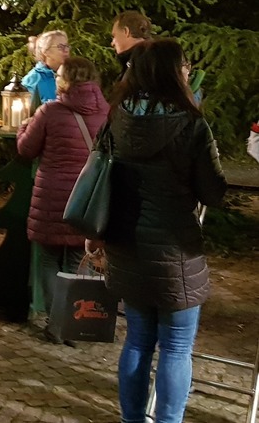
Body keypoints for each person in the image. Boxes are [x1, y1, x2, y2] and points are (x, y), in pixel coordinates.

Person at [101, 39, 226, 423]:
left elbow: (103, 176)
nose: (188, 69)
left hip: (126, 245)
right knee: (176, 346)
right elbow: (213, 192)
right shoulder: (191, 123)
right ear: (174, 72)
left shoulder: (117, 115)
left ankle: (132, 419)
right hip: (175, 249)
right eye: (185, 64)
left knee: (137, 340)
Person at [16, 57, 108, 342]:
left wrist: (22, 127)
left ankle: (56, 324)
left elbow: (26, 149)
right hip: (88, 199)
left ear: (66, 80)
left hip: (53, 196)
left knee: (47, 259)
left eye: (58, 76)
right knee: (78, 260)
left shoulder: (50, 112)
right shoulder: (107, 112)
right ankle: (73, 326)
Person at [21, 30, 70, 107]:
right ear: (45, 51)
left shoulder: (74, 75)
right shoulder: (32, 80)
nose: (66, 50)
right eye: (60, 47)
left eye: (67, 46)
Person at [110, 10, 153, 80]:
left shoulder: (141, 65)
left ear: (126, 31)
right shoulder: (153, 59)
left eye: (114, 36)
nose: (112, 43)